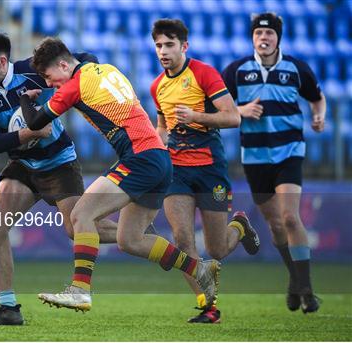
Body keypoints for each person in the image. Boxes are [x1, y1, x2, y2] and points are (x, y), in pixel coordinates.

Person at [20, 37, 221, 313]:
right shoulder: (105, 68)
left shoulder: (74, 86)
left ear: (64, 65)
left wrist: (24, 98)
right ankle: (199, 269)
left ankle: (80, 290)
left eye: (49, 76)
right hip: (160, 158)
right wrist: (50, 76)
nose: (49, 83)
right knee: (130, 239)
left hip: (139, 157)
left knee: (81, 215)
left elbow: (33, 123)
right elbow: (86, 54)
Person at [0, 30, 124, 325]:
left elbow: (87, 60)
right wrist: (31, 132)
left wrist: (72, 87)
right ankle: (8, 309)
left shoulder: (32, 70)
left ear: (2, 60)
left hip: (59, 163)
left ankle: (136, 235)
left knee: (77, 229)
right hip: (23, 165)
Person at [150, 19, 261, 324]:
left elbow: (233, 118)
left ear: (184, 46)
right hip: (177, 172)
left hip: (210, 169)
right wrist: (156, 141)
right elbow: (163, 127)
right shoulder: (157, 86)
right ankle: (208, 306)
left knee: (217, 249)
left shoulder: (204, 73)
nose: (163, 51)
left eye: (169, 44)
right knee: (183, 240)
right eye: (158, 45)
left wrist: (196, 115)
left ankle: (239, 225)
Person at [222, 12, 326, 313]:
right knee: (276, 224)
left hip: (289, 152)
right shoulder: (237, 70)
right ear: (252, 38)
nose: (263, 38)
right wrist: (240, 110)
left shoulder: (296, 69)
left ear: (278, 37)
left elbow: (317, 98)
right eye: (258, 34)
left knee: (291, 218)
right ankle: (295, 280)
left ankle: (306, 290)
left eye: (268, 34)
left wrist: (319, 115)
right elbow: (218, 107)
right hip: (255, 158)